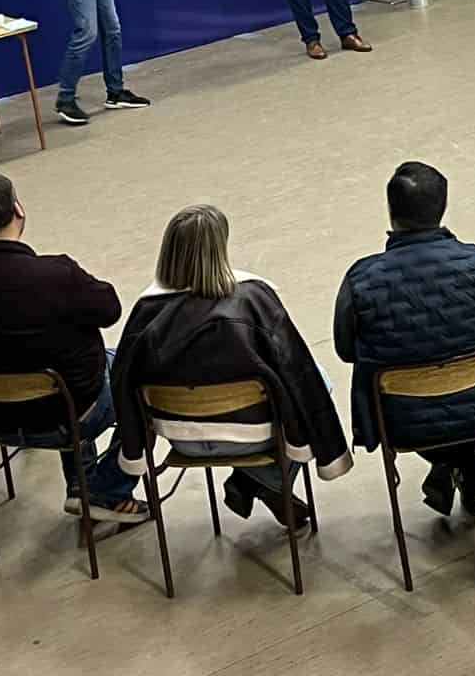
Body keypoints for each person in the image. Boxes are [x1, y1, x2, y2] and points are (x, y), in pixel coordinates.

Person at [112, 206, 352, 530]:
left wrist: (135, 446)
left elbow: (122, 381)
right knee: (316, 378)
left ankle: (255, 482)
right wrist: (329, 451)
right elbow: (298, 372)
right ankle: (262, 479)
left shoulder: (145, 312)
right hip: (250, 433)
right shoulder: (254, 299)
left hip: (180, 436)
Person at [0, 169, 145, 522]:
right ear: (18, 209)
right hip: (67, 414)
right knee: (133, 374)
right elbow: (110, 309)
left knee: (64, 363)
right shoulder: (56, 275)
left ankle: (80, 486)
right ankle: (106, 488)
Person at [334, 162, 475, 516]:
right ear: (443, 207)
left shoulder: (362, 279)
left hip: (401, 420)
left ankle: (451, 463)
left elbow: (344, 350)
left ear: (391, 210)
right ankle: (463, 459)